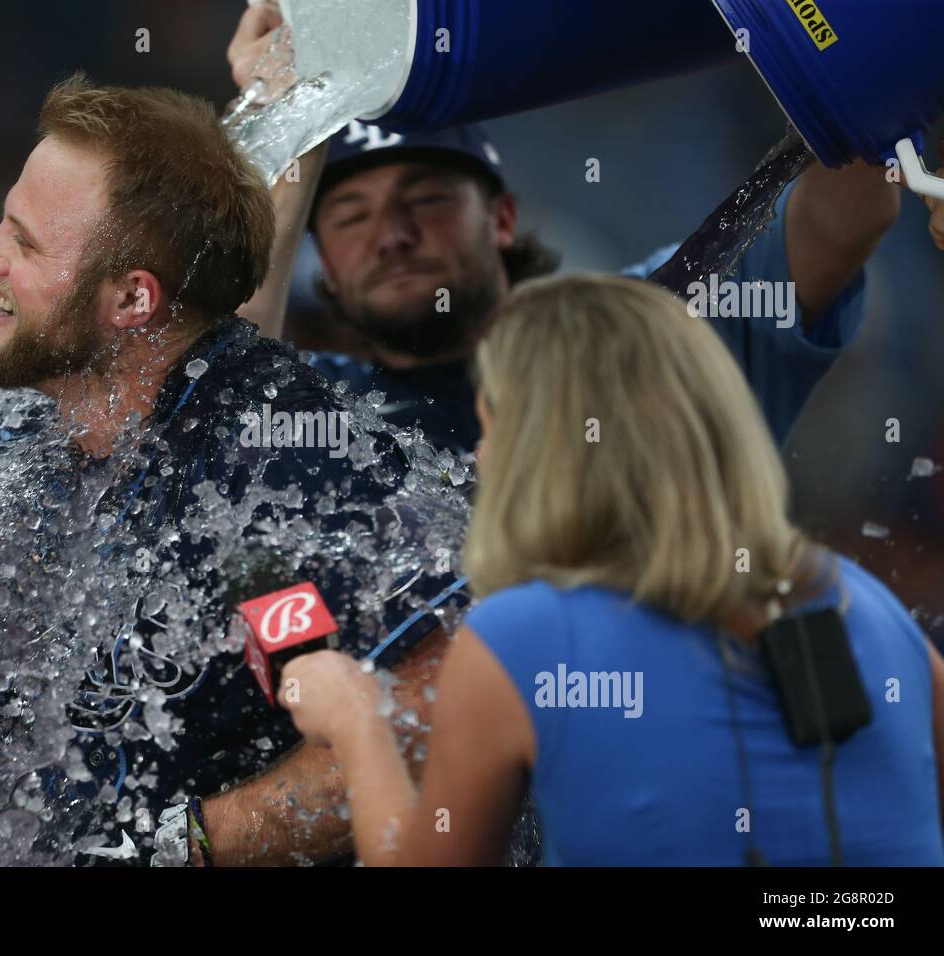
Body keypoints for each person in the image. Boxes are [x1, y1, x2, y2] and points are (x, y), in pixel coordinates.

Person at [0, 72, 461, 867]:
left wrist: (182, 848)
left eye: (23, 241)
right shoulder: (16, 440)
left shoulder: (286, 462)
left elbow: (430, 722)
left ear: (133, 301)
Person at [280, 273, 944, 866]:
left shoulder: (527, 635)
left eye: (492, 427)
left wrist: (355, 717)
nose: (480, 458)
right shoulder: (866, 604)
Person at [228, 5, 902, 458]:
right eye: (350, 217)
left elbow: (844, 217)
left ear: (503, 218)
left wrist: (878, 44)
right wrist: (285, 100)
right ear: (323, 266)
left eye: (426, 197)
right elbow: (205, 384)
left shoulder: (644, 340)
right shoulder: (306, 424)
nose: (393, 233)